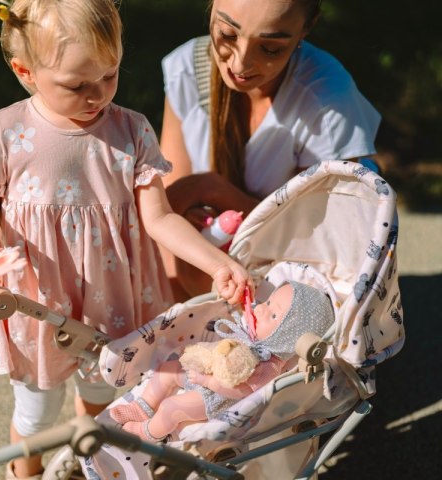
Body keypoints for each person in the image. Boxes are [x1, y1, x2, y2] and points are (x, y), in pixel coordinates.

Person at [0, 1, 251, 478]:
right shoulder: (9, 131)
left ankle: (85, 464)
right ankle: (25, 472)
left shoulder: (130, 131)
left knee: (100, 398)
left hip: (110, 296)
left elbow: (160, 217)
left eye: (110, 75)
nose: (97, 94)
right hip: (38, 299)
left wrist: (217, 263)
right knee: (35, 415)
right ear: (25, 72)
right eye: (77, 85)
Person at [159, 0, 382, 300]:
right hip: (214, 262)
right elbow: (168, 203)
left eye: (270, 48)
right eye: (227, 33)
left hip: (293, 282)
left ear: (307, 27)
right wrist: (192, 215)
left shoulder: (327, 103)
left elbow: (322, 246)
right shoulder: (188, 69)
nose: (240, 64)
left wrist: (212, 190)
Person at [108, 281, 334, 441]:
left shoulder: (269, 366)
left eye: (274, 315)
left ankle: (148, 432)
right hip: (203, 373)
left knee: (171, 407)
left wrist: (207, 382)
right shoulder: (248, 334)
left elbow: (242, 392)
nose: (262, 309)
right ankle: (143, 406)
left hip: (213, 398)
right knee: (167, 370)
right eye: (268, 302)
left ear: (287, 337)